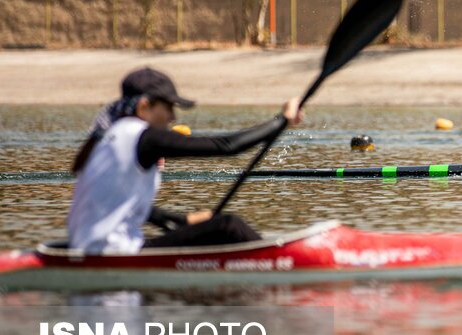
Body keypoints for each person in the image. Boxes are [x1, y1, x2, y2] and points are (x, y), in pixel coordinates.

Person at [67, 67, 303, 254]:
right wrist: (281, 121)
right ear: (144, 106)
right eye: (168, 107)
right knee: (227, 226)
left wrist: (183, 221)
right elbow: (227, 146)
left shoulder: (110, 137)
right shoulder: (145, 137)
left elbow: (128, 205)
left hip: (91, 248)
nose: (173, 116)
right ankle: (283, 262)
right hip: (113, 253)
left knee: (212, 228)